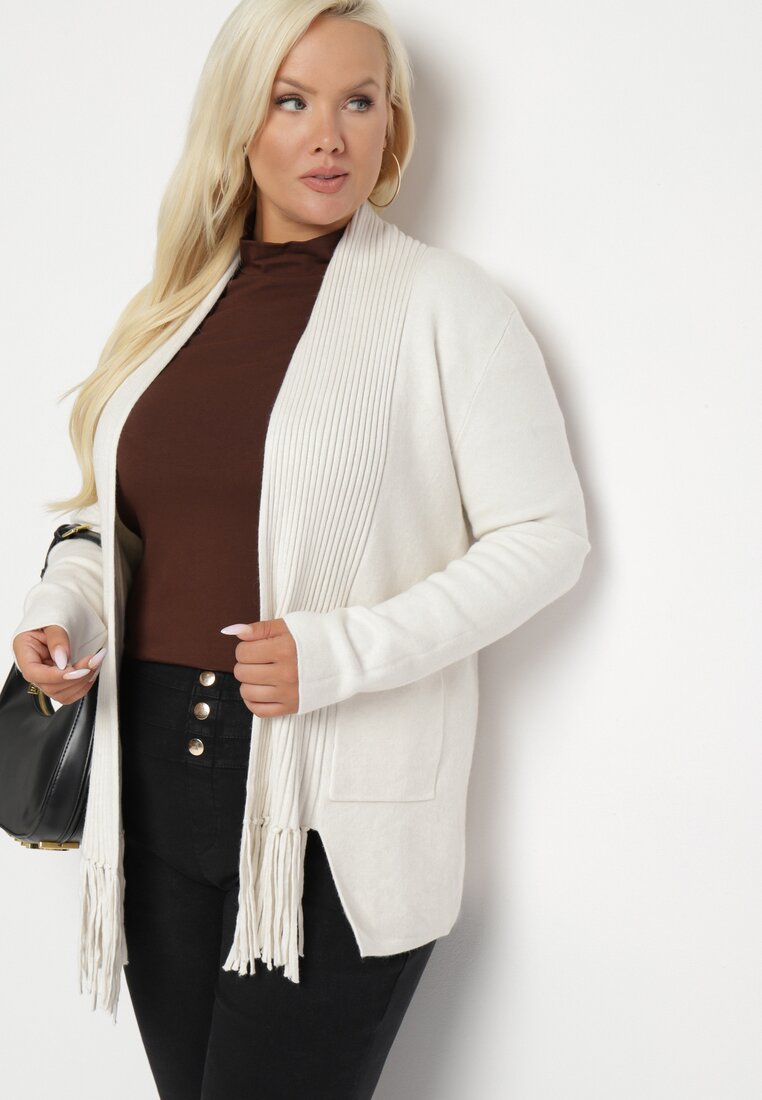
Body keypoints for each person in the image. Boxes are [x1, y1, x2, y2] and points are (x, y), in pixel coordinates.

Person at [10, 1, 591, 1097]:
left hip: (328, 813)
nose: (329, 136)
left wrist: (342, 651)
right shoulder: (171, 310)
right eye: (292, 101)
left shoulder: (446, 307)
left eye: (358, 102)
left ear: (391, 125)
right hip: (150, 790)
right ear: (240, 120)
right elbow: (117, 525)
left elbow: (545, 538)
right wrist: (62, 611)